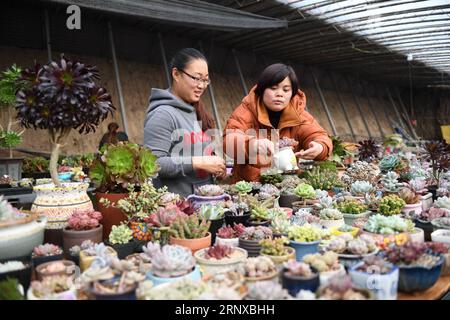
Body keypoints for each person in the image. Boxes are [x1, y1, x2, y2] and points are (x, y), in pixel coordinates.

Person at [223, 63, 332, 182]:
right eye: (274, 88)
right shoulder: (246, 111)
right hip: (248, 186)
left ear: (292, 93)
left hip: (287, 184)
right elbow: (229, 140)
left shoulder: (299, 115)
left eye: (286, 90)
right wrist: (253, 145)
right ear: (262, 89)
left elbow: (318, 135)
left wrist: (320, 147)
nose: (280, 93)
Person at [144, 48, 226, 196]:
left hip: (203, 202)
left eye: (205, 80)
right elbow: (154, 164)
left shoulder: (196, 110)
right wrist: (198, 162)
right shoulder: (163, 114)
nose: (201, 85)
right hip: (178, 209)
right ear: (176, 74)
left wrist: (214, 169)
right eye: (196, 78)